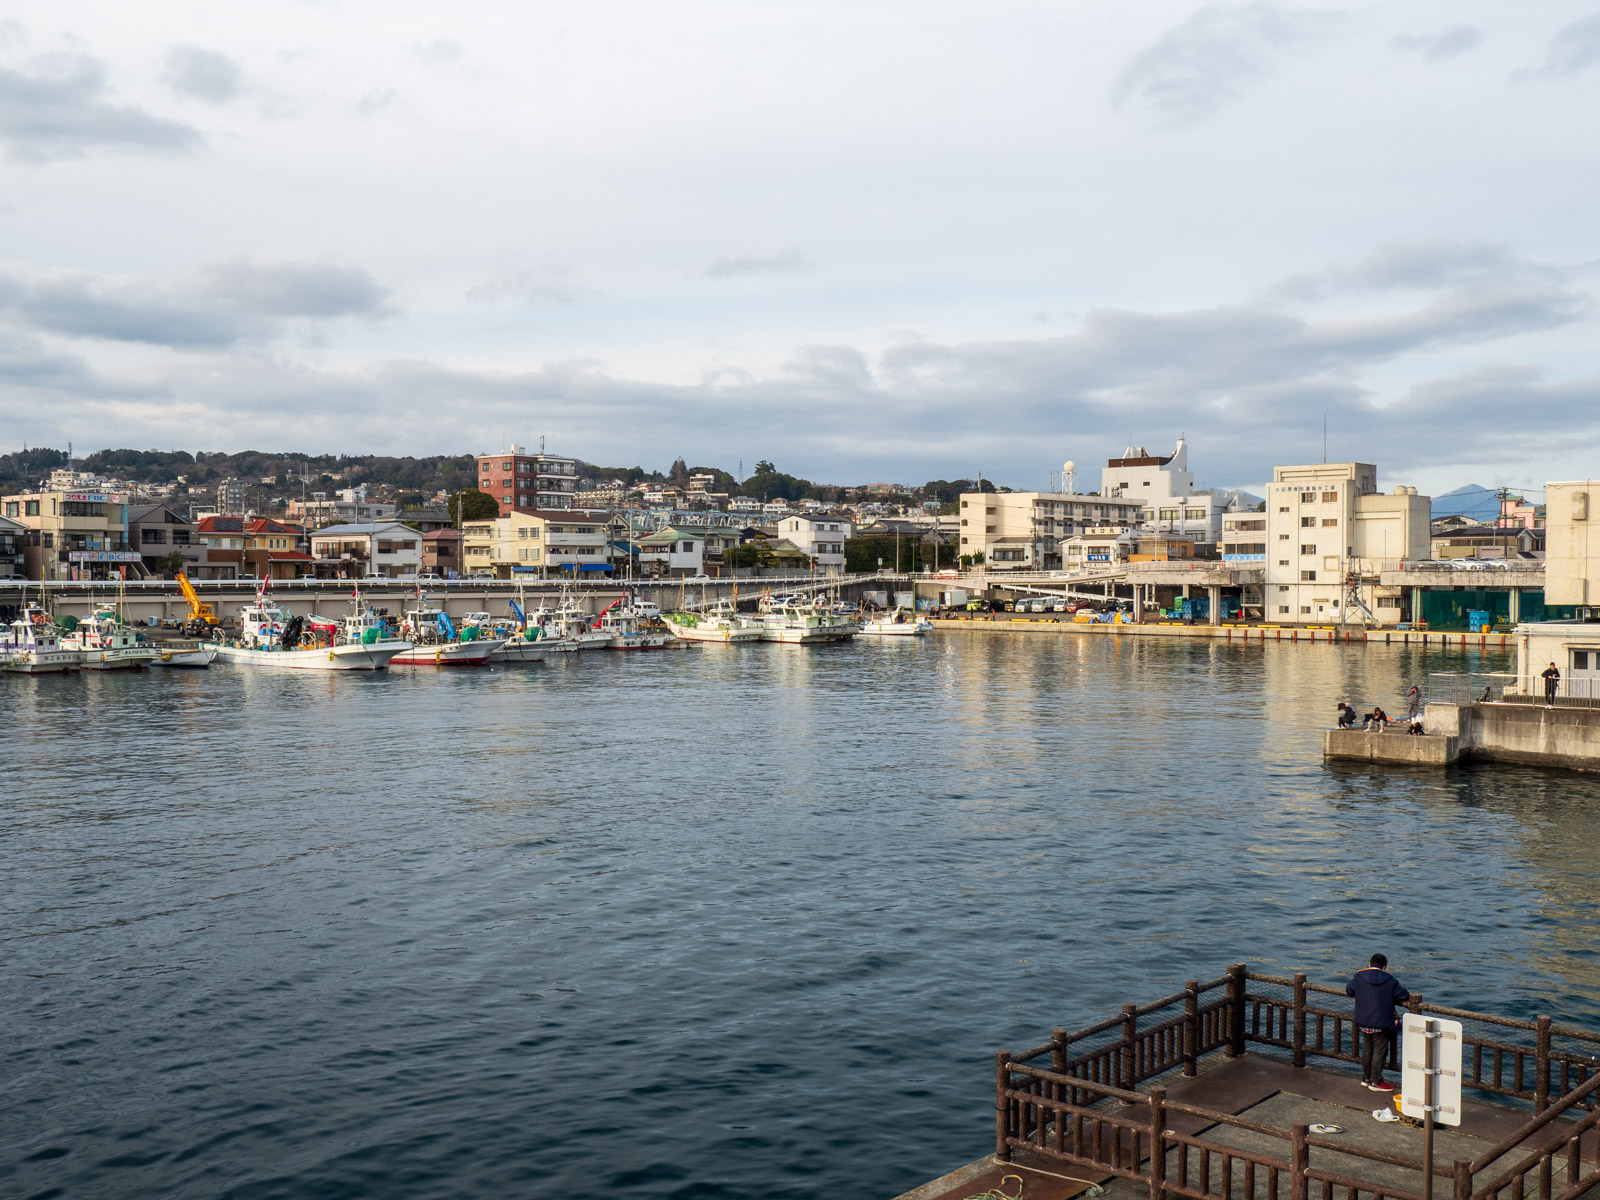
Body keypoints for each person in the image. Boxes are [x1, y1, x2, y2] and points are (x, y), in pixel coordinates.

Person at [1347, 954, 1410, 1091]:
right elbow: (1403, 995)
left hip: (1364, 1020)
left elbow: (1349, 990)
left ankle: (1366, 1078)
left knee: (1367, 1049)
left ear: (1369, 965)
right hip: (1381, 1022)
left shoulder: (1359, 977)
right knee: (1379, 1052)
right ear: (1384, 967)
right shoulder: (1390, 980)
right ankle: (1376, 1081)